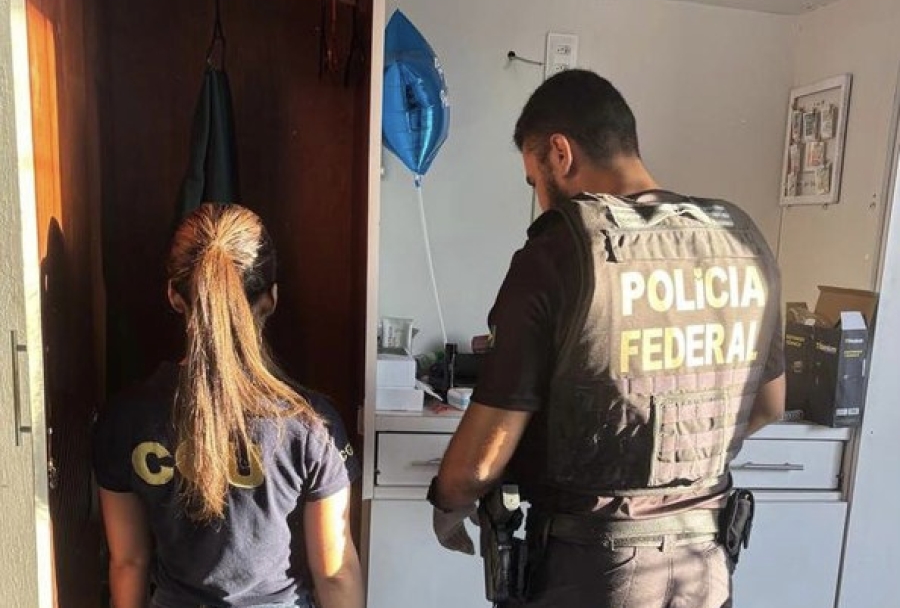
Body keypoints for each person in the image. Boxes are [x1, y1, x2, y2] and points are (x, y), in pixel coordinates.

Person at [427, 70, 785, 607]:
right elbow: (769, 405)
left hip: (592, 570)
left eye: (533, 180)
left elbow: (477, 465)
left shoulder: (559, 252)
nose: (539, 198)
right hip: (706, 568)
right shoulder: (740, 238)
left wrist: (448, 506)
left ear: (560, 153)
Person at [93, 204, 364, 608]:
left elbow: (128, 562)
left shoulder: (124, 418)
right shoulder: (310, 423)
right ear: (271, 298)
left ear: (174, 296)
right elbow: (334, 573)